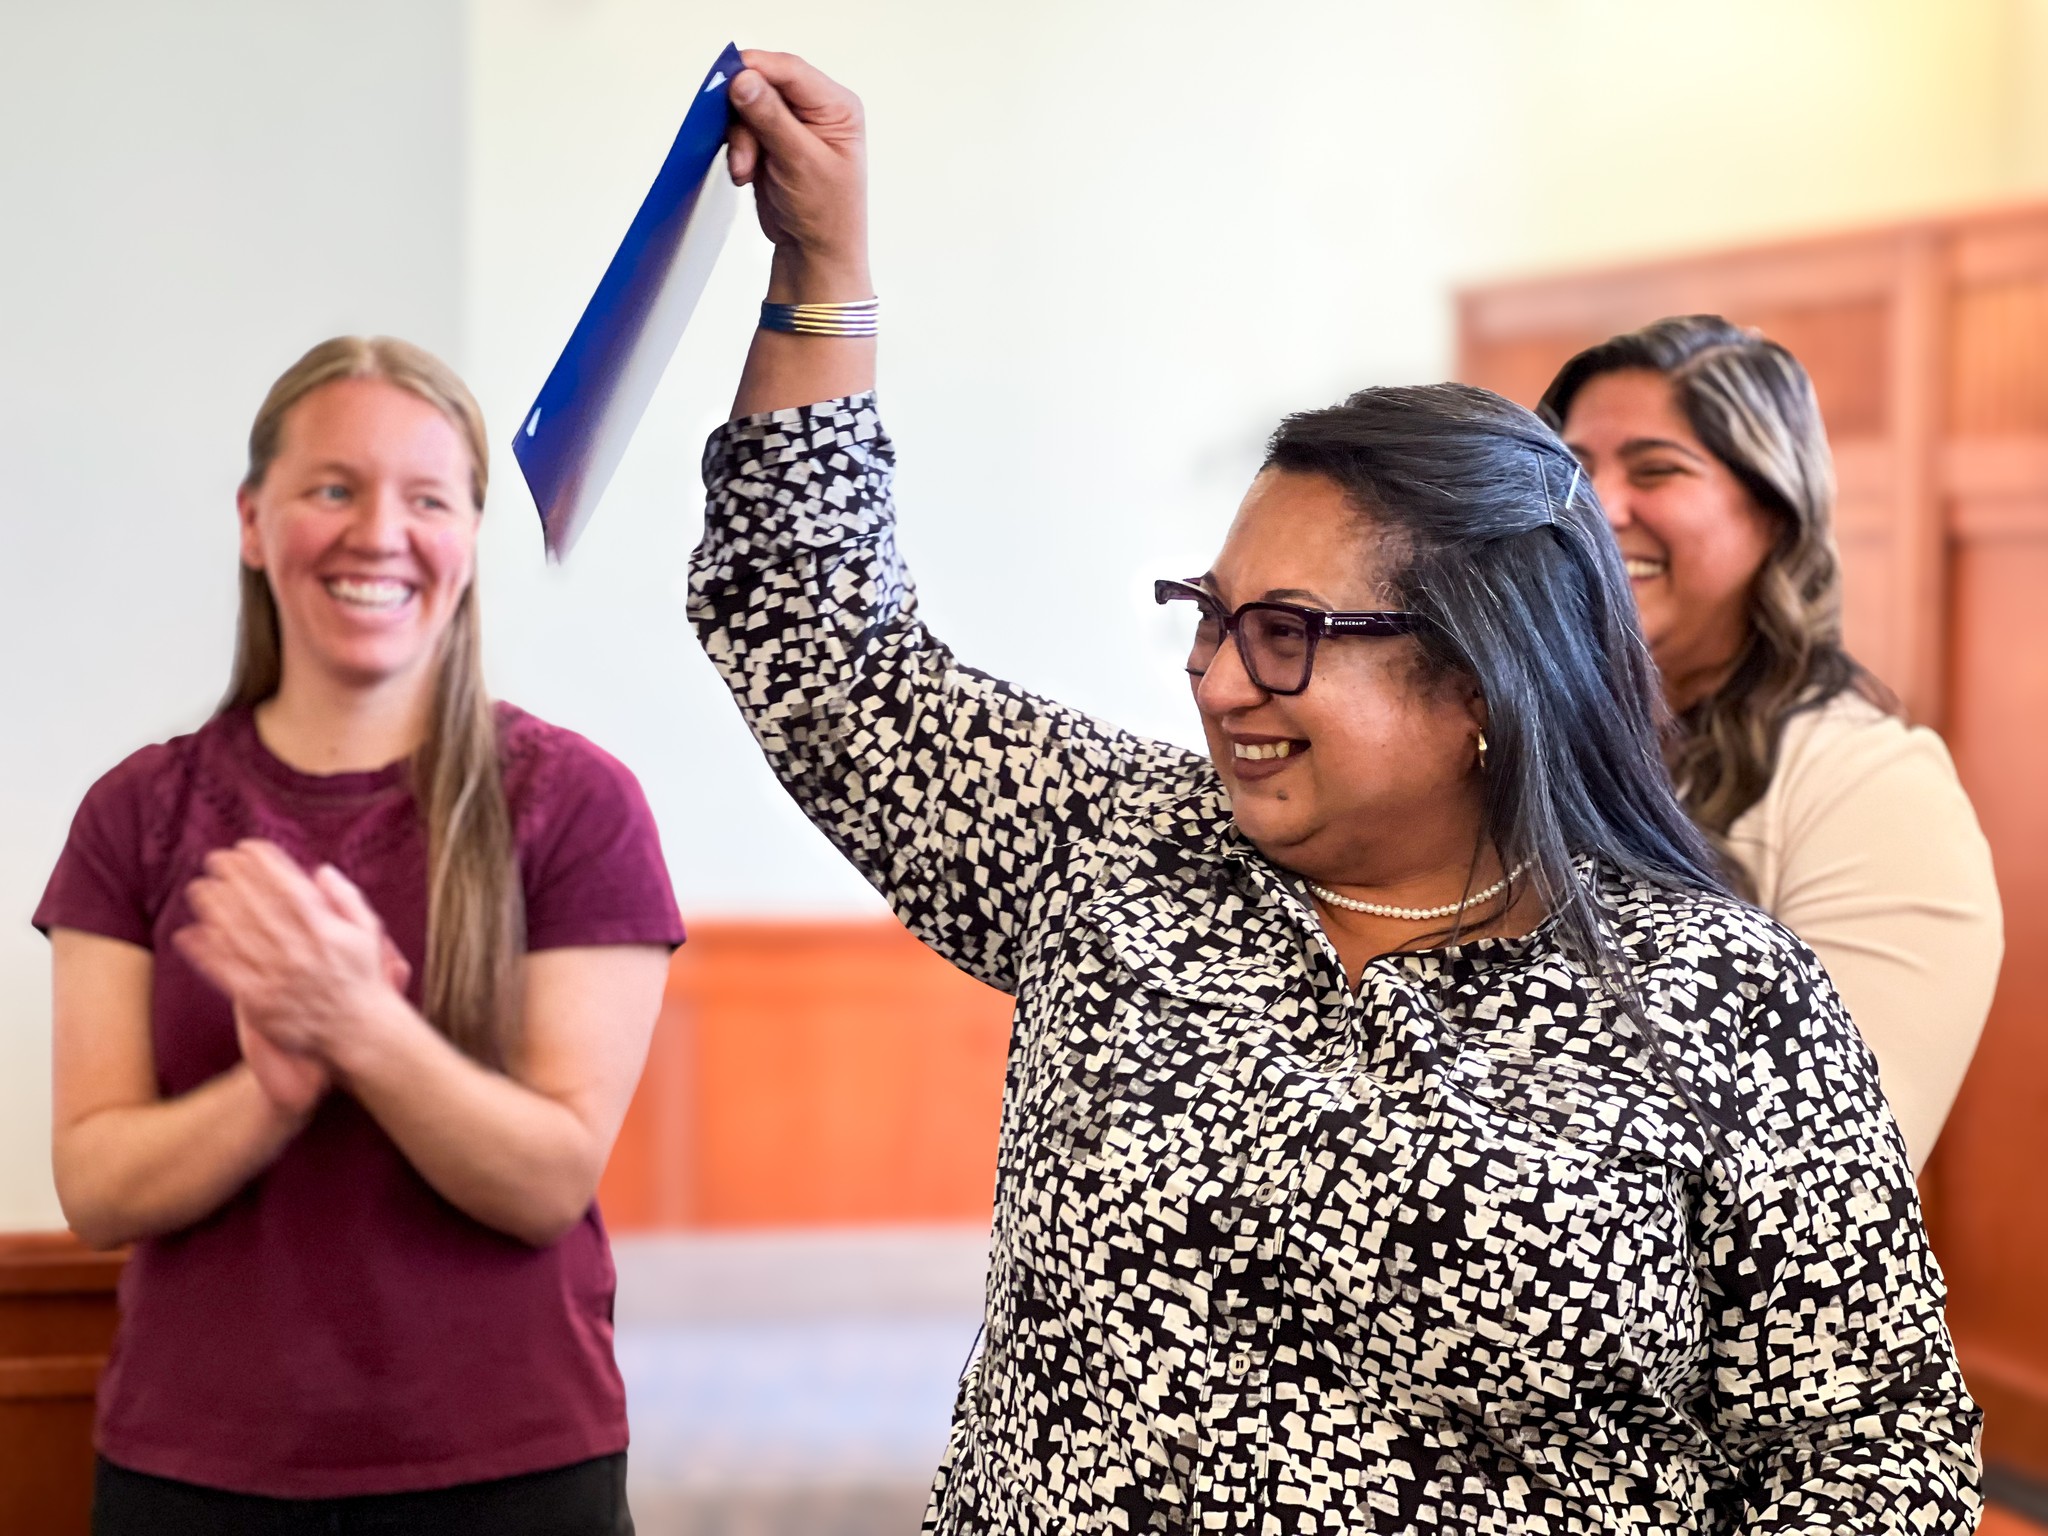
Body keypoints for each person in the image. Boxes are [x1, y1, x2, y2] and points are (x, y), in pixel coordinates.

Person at [697, 51, 1980, 1534]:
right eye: (1211, 610)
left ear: (1483, 685)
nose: (1216, 677)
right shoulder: (1122, 851)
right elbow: (815, 641)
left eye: (1288, 634)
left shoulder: (1719, 997)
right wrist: (825, 270)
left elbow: (1864, 1460)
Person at [36, 336, 683, 1535]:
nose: (378, 533)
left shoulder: (577, 803)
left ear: (467, 535)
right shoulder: (135, 813)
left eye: (427, 498)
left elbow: (546, 1181)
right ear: (252, 522)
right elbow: (97, 1186)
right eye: (332, 487)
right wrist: (271, 1093)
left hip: (509, 1470)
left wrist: (361, 1029)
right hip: (192, 1473)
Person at [1539, 319, 2001, 1173]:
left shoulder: (1872, 789)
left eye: (1657, 470)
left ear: (1775, 515)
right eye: (1572, 470)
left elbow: (1838, 1176)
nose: (1596, 509)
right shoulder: (1514, 746)